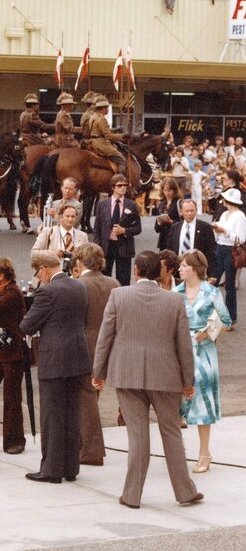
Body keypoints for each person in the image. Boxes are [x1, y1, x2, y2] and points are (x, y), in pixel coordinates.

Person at [92, 250, 201, 509]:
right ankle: (185, 492)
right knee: (172, 432)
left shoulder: (119, 296)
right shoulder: (174, 301)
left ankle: (131, 495)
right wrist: (188, 381)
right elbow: (184, 345)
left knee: (137, 435)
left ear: (136, 271)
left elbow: (105, 336)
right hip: (166, 374)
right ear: (161, 272)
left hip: (127, 374)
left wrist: (99, 373)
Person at [20, 251, 90, 484]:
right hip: (78, 356)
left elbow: (27, 325)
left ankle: (51, 469)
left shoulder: (46, 291)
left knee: (52, 415)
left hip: (54, 359)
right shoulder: (79, 287)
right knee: (72, 413)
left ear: (43, 269)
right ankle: (71, 467)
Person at [175, 250, 232, 473]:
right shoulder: (176, 292)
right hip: (181, 352)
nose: (180, 269)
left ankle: (204, 453)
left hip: (204, 352)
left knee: (202, 401)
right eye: (180, 266)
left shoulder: (210, 292)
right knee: (178, 401)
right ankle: (177, 452)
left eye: (184, 266)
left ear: (195, 269)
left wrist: (209, 332)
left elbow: (225, 320)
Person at [72, 243, 119, 466]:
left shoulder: (79, 285)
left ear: (81, 262)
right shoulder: (113, 284)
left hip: (84, 346)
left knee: (85, 398)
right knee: (92, 397)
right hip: (109, 346)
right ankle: (86, 445)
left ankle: (90, 449)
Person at [0, 257, 26, 454]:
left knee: (12, 398)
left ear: (1, 276)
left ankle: (14, 441)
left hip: (12, 352)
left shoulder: (12, 294)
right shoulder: (2, 291)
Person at [93, 174, 141, 285]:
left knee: (124, 280)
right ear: (112, 187)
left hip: (124, 246)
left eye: (125, 185)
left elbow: (138, 228)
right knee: (104, 279)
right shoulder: (102, 204)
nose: (123, 188)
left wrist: (124, 231)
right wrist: (98, 248)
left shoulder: (131, 205)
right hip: (106, 247)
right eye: (120, 185)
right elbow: (97, 229)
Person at [211, 187, 246, 327]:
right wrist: (217, 230)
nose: (222, 201)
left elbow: (241, 238)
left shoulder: (240, 216)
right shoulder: (225, 214)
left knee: (229, 285)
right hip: (219, 247)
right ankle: (211, 314)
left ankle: (231, 318)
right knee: (213, 281)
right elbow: (219, 234)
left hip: (231, 250)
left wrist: (224, 230)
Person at [166, 199, 217, 277]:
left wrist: (212, 274)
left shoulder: (205, 227)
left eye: (192, 210)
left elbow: (211, 252)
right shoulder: (175, 227)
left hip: (196, 271)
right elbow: (170, 249)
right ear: (181, 212)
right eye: (186, 211)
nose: (189, 213)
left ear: (196, 211)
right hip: (178, 270)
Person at [153, 177, 182, 250]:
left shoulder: (179, 203)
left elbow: (184, 222)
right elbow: (157, 229)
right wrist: (159, 222)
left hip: (175, 239)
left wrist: (171, 222)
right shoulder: (161, 205)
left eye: (169, 190)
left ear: (174, 190)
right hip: (163, 241)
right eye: (165, 190)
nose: (167, 193)